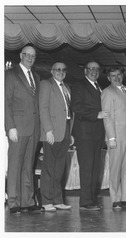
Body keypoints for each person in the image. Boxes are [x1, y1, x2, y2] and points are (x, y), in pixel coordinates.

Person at [5, 46, 44, 214]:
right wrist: (10, 127)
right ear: (21, 56)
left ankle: (27, 201)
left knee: (28, 165)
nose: (30, 58)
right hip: (18, 128)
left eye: (33, 56)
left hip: (34, 128)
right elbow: (6, 103)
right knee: (15, 165)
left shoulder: (36, 76)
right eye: (27, 55)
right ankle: (13, 202)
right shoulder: (10, 75)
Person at [71, 61, 109, 211]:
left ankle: (92, 199)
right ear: (85, 71)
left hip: (97, 133)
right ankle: (86, 201)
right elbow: (76, 106)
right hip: (85, 133)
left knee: (94, 168)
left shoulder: (99, 86)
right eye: (91, 69)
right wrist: (96, 114)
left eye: (97, 69)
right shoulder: (79, 85)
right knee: (87, 168)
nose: (94, 71)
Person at [39, 62, 72, 211]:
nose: (61, 72)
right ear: (52, 71)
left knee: (59, 168)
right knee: (49, 168)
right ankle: (46, 202)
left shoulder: (67, 87)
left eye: (63, 70)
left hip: (65, 132)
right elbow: (43, 107)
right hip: (52, 132)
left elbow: (69, 112)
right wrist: (48, 130)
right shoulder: (46, 84)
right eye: (58, 69)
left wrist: (70, 133)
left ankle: (58, 200)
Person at [101, 67, 126, 210]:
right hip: (116, 136)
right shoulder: (107, 92)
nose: (116, 78)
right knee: (115, 168)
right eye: (113, 75)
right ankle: (115, 198)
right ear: (108, 78)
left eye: (119, 75)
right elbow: (107, 116)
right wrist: (111, 137)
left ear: (123, 75)